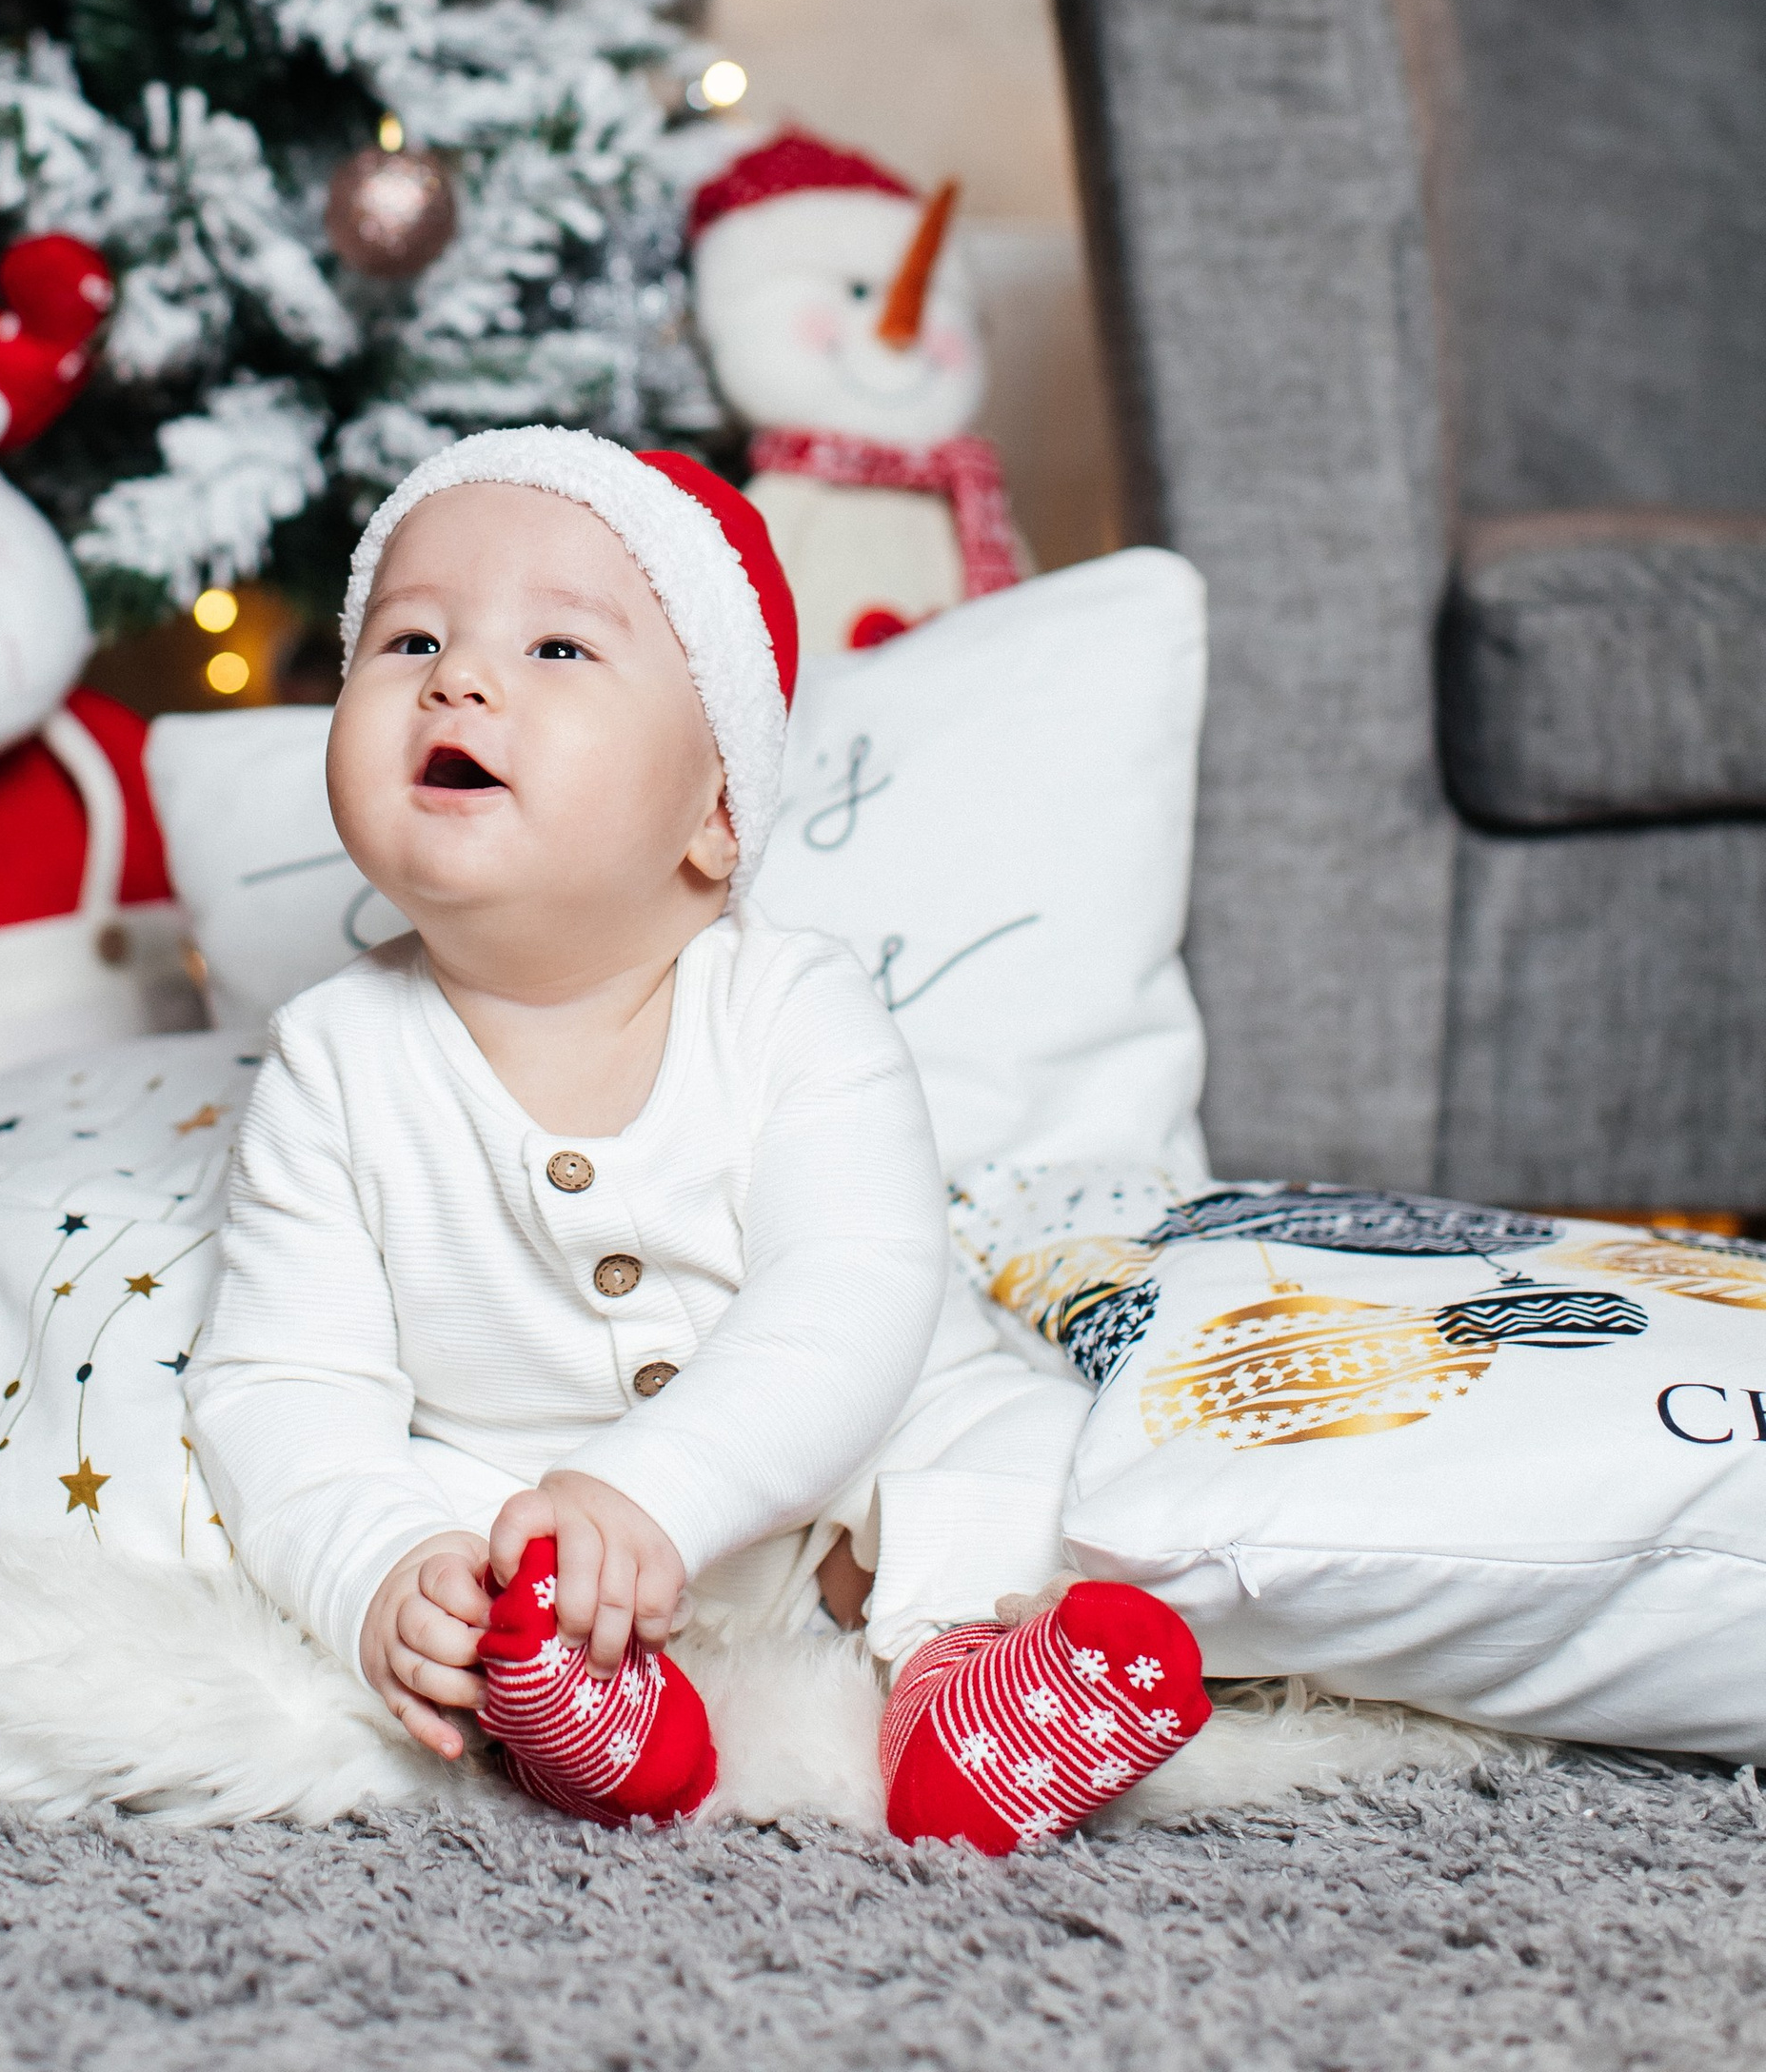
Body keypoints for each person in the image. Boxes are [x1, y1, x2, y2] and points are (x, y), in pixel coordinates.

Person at [186, 429, 1207, 1846]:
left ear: (717, 813)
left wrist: (655, 1489)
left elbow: (846, 1303)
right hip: (527, 1499)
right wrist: (381, 1571)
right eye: (408, 637)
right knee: (456, 1548)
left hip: (841, 1449)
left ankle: (956, 1678)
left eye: (557, 651)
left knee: (1022, 1448)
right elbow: (285, 1382)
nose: (458, 678)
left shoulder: (797, 1010)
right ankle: (590, 1700)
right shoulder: (332, 1064)